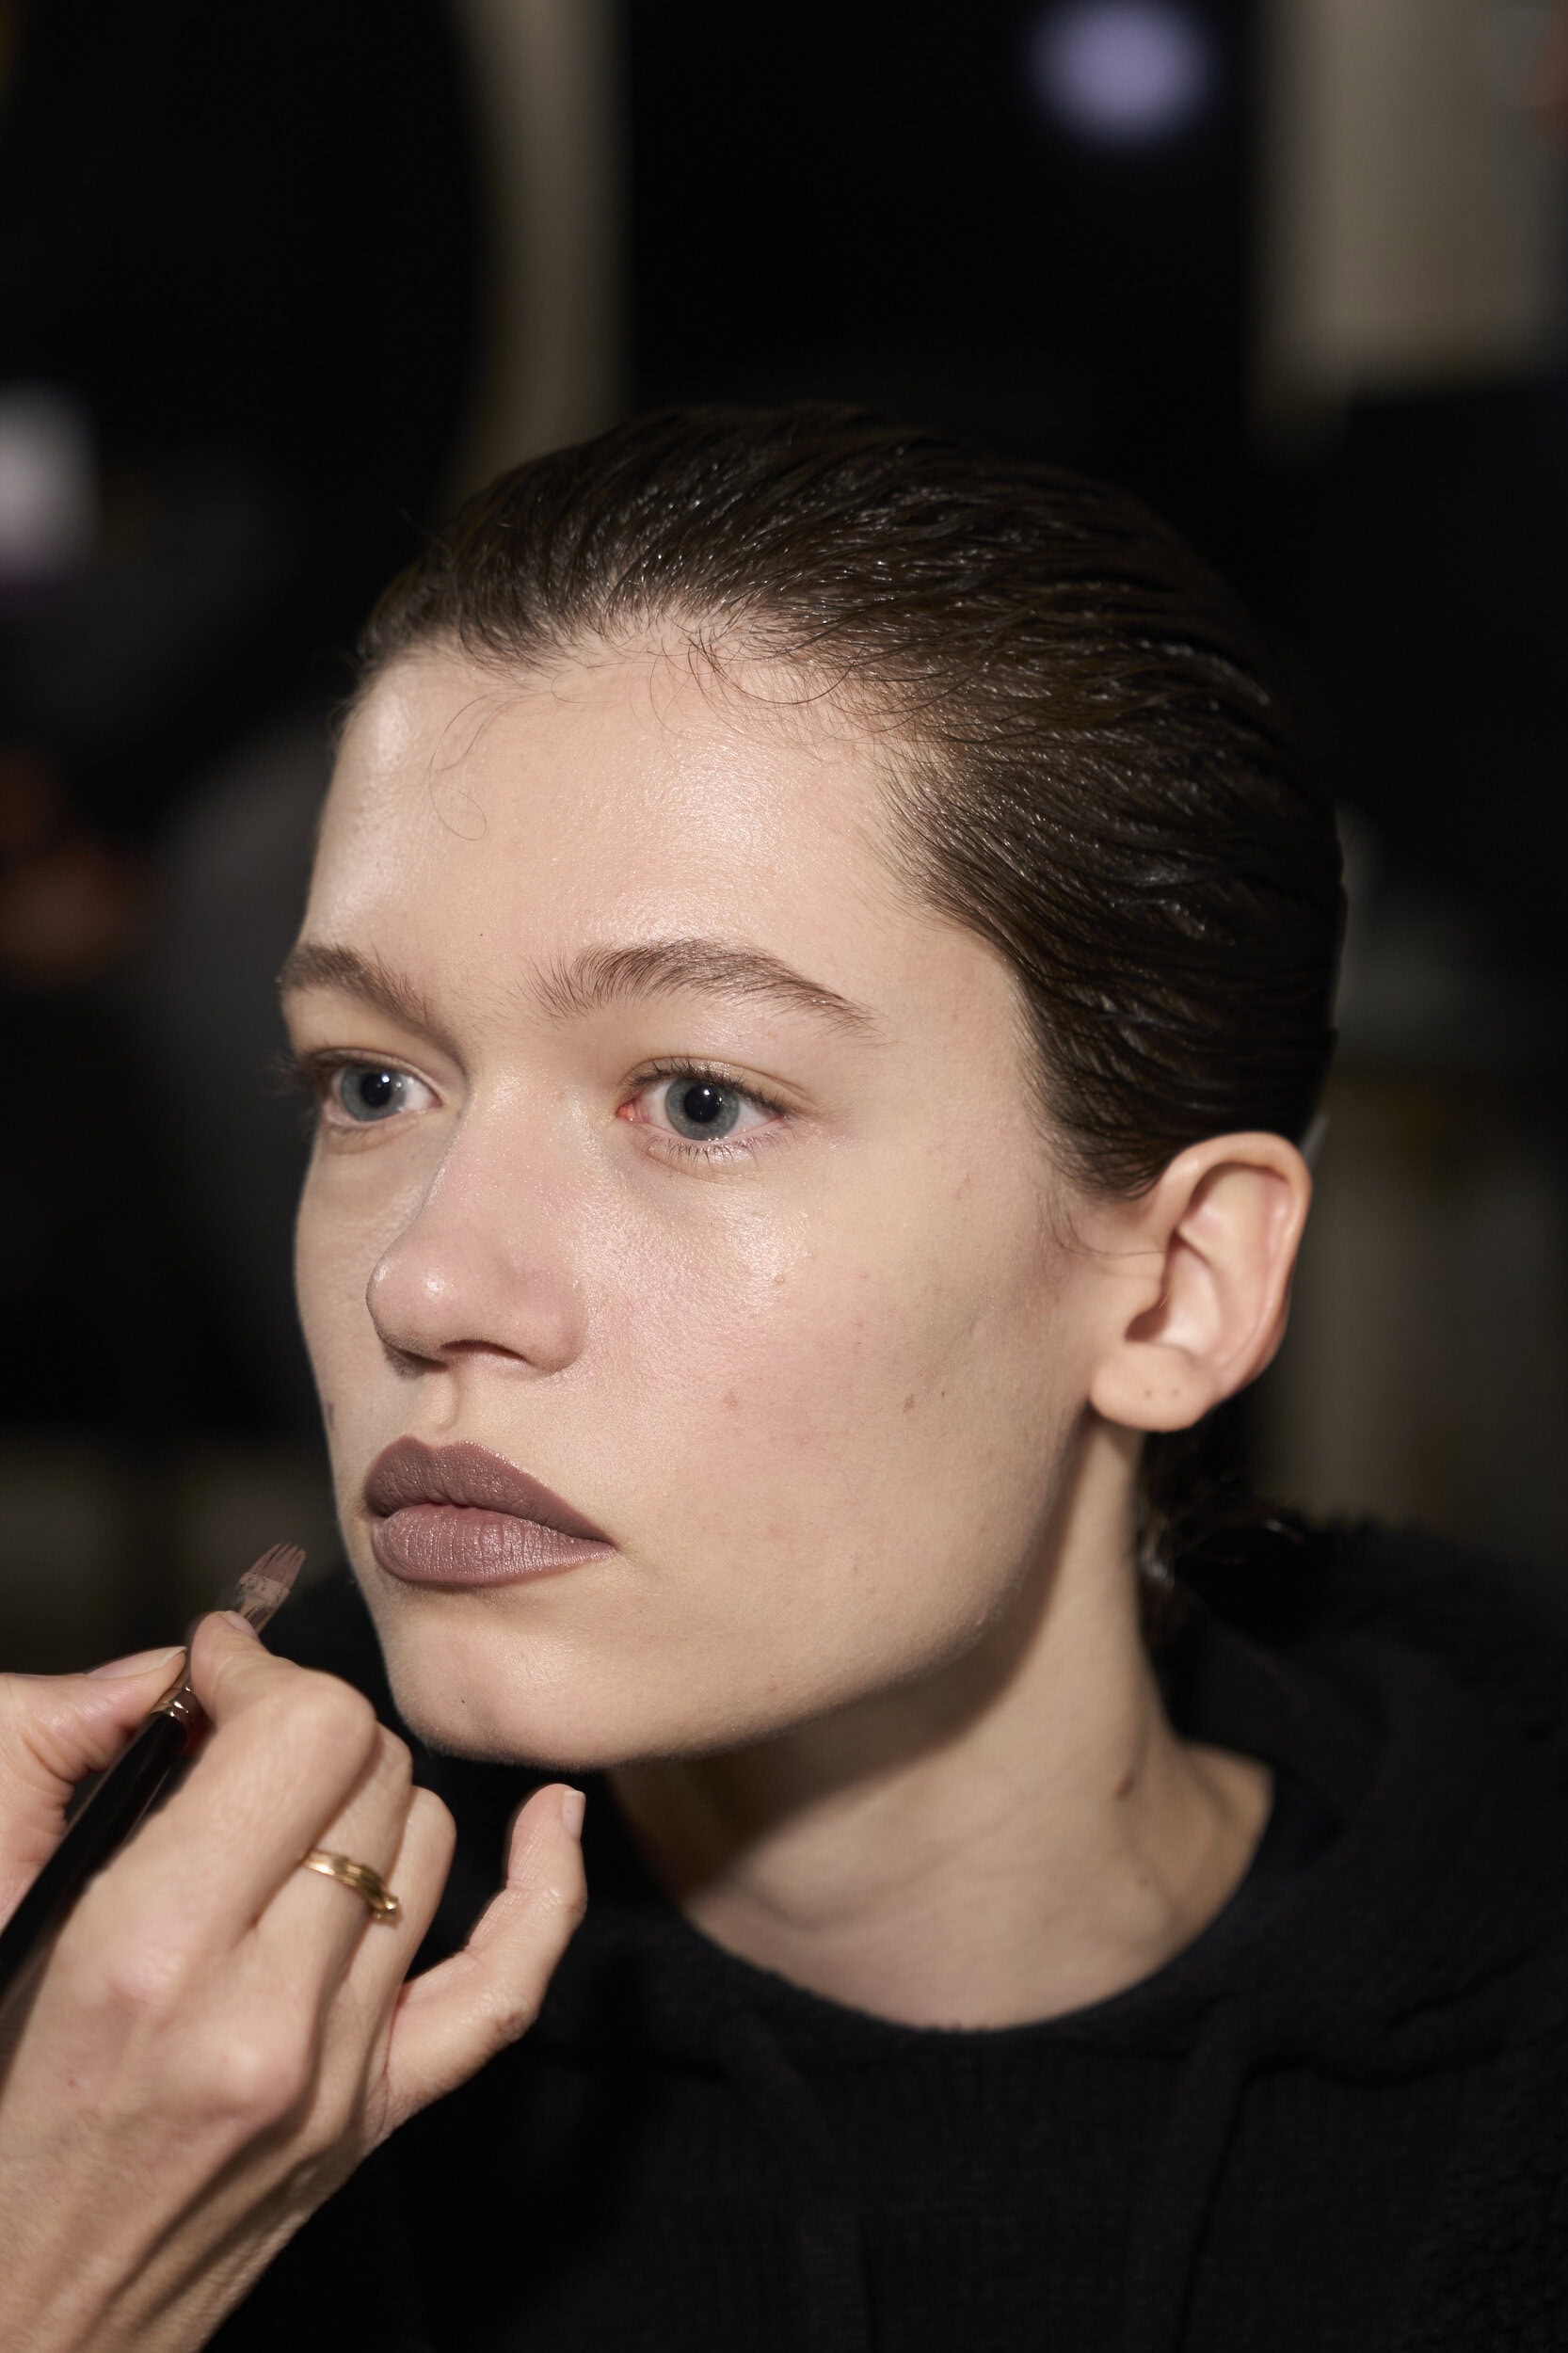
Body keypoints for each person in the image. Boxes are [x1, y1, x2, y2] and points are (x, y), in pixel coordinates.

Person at [3, 406, 1568, 2353]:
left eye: (698, 1098)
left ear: (1177, 1284)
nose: (427, 1279)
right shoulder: (116, 2056)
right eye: (372, 1081)